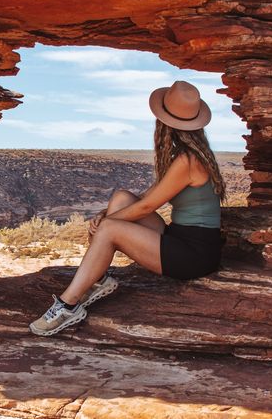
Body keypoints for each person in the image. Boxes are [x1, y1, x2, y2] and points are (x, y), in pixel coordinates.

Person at [29, 80, 227, 337]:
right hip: (184, 239)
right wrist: (105, 215)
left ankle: (68, 306)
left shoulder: (187, 160)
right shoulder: (188, 154)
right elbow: (145, 197)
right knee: (122, 198)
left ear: (163, 122)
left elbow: (147, 206)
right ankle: (96, 280)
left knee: (110, 229)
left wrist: (104, 224)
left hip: (194, 256)